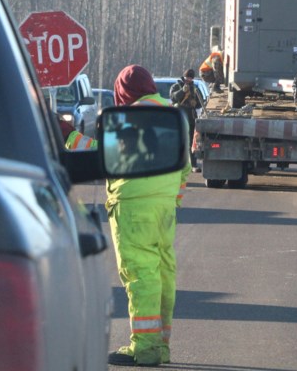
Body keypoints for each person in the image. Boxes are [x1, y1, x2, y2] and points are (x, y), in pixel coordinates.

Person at [106, 65, 191, 367]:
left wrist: (68, 138)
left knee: (140, 276)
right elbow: (185, 168)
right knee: (163, 273)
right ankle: (161, 345)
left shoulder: (129, 117)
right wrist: (171, 201)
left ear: (124, 91)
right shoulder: (174, 114)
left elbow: (104, 155)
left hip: (133, 208)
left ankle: (144, 348)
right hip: (164, 210)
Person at [169, 69, 202, 171]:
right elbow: (173, 97)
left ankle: (193, 164)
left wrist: (195, 102)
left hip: (191, 117)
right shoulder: (177, 86)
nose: (189, 79)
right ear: (184, 77)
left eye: (191, 78)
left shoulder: (195, 88)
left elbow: (200, 103)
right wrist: (182, 91)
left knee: (192, 142)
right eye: (187, 77)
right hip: (180, 116)